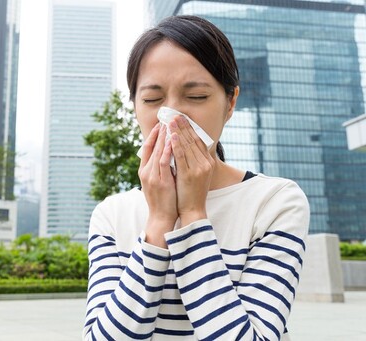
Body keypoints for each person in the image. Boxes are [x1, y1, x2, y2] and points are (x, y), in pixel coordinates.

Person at [83, 15, 310, 340]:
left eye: (197, 97)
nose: (172, 116)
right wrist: (159, 222)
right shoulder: (112, 214)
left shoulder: (275, 202)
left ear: (230, 102)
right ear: (134, 107)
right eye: (152, 99)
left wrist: (192, 215)